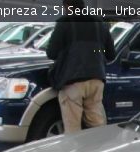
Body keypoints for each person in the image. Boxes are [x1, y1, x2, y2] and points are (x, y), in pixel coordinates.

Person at [46, 0, 116, 134]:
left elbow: (52, 53)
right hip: (96, 79)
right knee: (97, 125)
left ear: (67, 6)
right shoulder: (99, 22)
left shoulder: (65, 22)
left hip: (72, 81)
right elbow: (111, 54)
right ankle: (98, 151)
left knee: (72, 128)